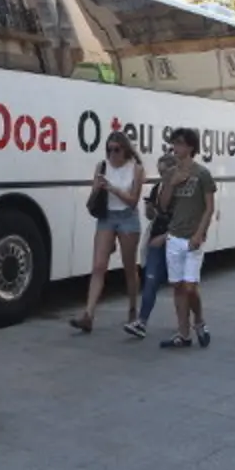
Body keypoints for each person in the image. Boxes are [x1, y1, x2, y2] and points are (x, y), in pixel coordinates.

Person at [71, 131, 144, 333]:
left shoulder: (136, 170)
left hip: (128, 218)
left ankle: (132, 310)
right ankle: (88, 314)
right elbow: (93, 197)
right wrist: (97, 188)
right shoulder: (102, 166)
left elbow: (133, 201)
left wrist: (113, 189)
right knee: (98, 266)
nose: (112, 154)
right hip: (107, 218)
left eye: (116, 149)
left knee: (130, 267)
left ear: (125, 150)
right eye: (109, 149)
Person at [157, 127, 216, 349]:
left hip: (193, 238)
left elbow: (209, 208)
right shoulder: (171, 173)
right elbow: (163, 205)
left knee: (190, 287)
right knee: (178, 287)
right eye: (174, 143)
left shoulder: (202, 173)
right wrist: (171, 184)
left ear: (190, 147)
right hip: (174, 236)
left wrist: (200, 233)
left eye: (180, 144)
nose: (176, 148)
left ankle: (199, 321)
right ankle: (183, 333)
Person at [124, 153, 176, 339]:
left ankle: (188, 321)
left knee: (180, 285)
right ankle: (142, 321)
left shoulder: (183, 191)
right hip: (155, 240)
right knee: (151, 280)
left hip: (175, 242)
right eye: (160, 172)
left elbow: (184, 222)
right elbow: (152, 217)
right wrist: (149, 210)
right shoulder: (158, 188)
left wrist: (165, 237)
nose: (163, 176)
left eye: (166, 172)